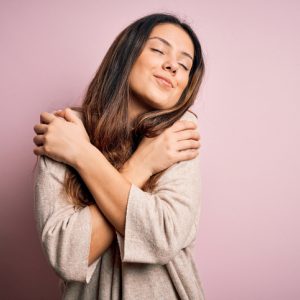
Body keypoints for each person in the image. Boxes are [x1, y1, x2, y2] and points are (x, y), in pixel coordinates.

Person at [33, 13, 206, 300]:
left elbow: (161, 236)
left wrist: (81, 154)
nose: (172, 65)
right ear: (126, 55)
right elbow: (66, 254)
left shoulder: (178, 136)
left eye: (184, 64)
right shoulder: (66, 132)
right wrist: (142, 165)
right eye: (158, 50)